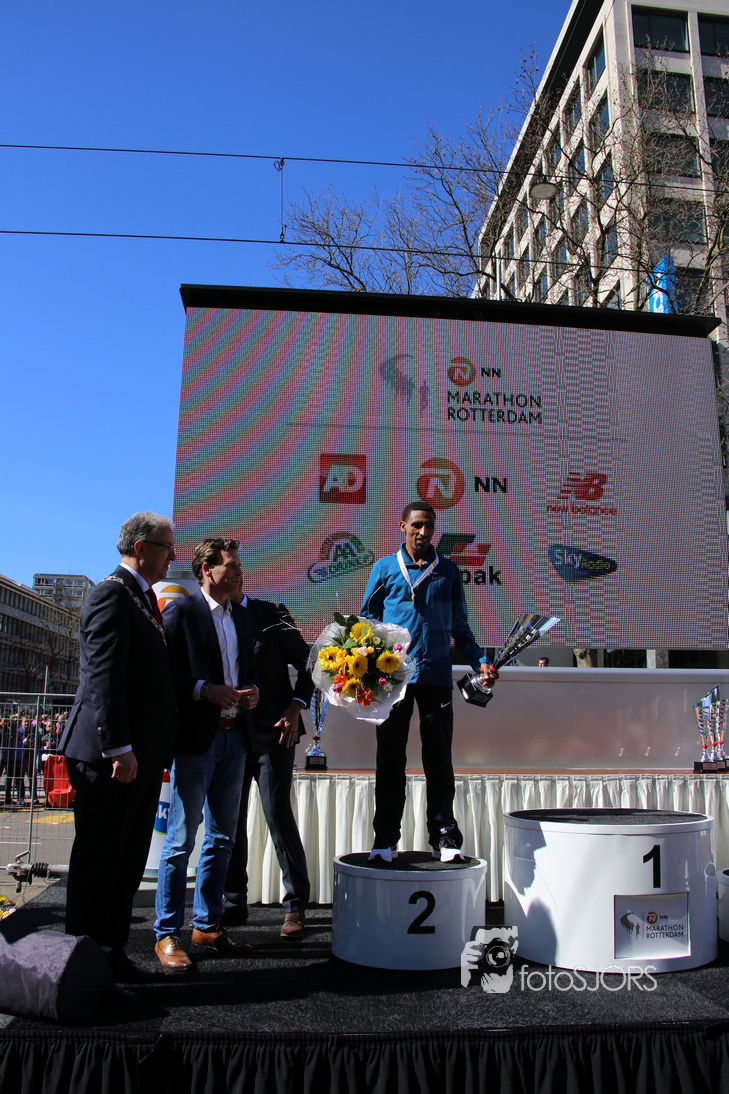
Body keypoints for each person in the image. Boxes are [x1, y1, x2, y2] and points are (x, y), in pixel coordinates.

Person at [60, 512, 178, 982]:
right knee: (100, 863)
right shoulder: (112, 593)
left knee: (126, 863)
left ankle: (110, 955)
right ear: (140, 547)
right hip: (109, 758)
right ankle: (81, 968)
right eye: (167, 547)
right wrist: (118, 748)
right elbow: (102, 677)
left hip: (138, 757)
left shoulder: (141, 597)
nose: (173, 556)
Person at [360, 501, 497, 863]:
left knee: (438, 760)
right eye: (417, 525)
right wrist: (365, 668)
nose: (423, 532)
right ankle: (385, 839)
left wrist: (480, 661)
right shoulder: (385, 568)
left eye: (429, 526)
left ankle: (445, 836)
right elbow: (366, 622)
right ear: (402, 526)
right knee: (390, 759)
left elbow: (460, 626)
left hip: (435, 674)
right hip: (393, 677)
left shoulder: (447, 570)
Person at [154, 538, 259, 972]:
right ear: (206, 570)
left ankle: (206, 925)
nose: (238, 572)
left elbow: (246, 671)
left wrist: (254, 692)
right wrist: (203, 690)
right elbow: (164, 675)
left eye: (238, 566)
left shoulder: (242, 617)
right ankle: (166, 933)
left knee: (222, 838)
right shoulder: (181, 612)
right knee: (181, 839)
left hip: (236, 739)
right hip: (198, 741)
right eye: (230, 566)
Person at [223, 584, 313, 940]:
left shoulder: (272, 614)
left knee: (276, 813)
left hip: (275, 733)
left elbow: (310, 663)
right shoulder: (212, 619)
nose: (236, 573)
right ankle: (233, 899)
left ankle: (296, 904)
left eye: (238, 567)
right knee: (229, 818)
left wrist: (295, 706)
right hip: (228, 734)